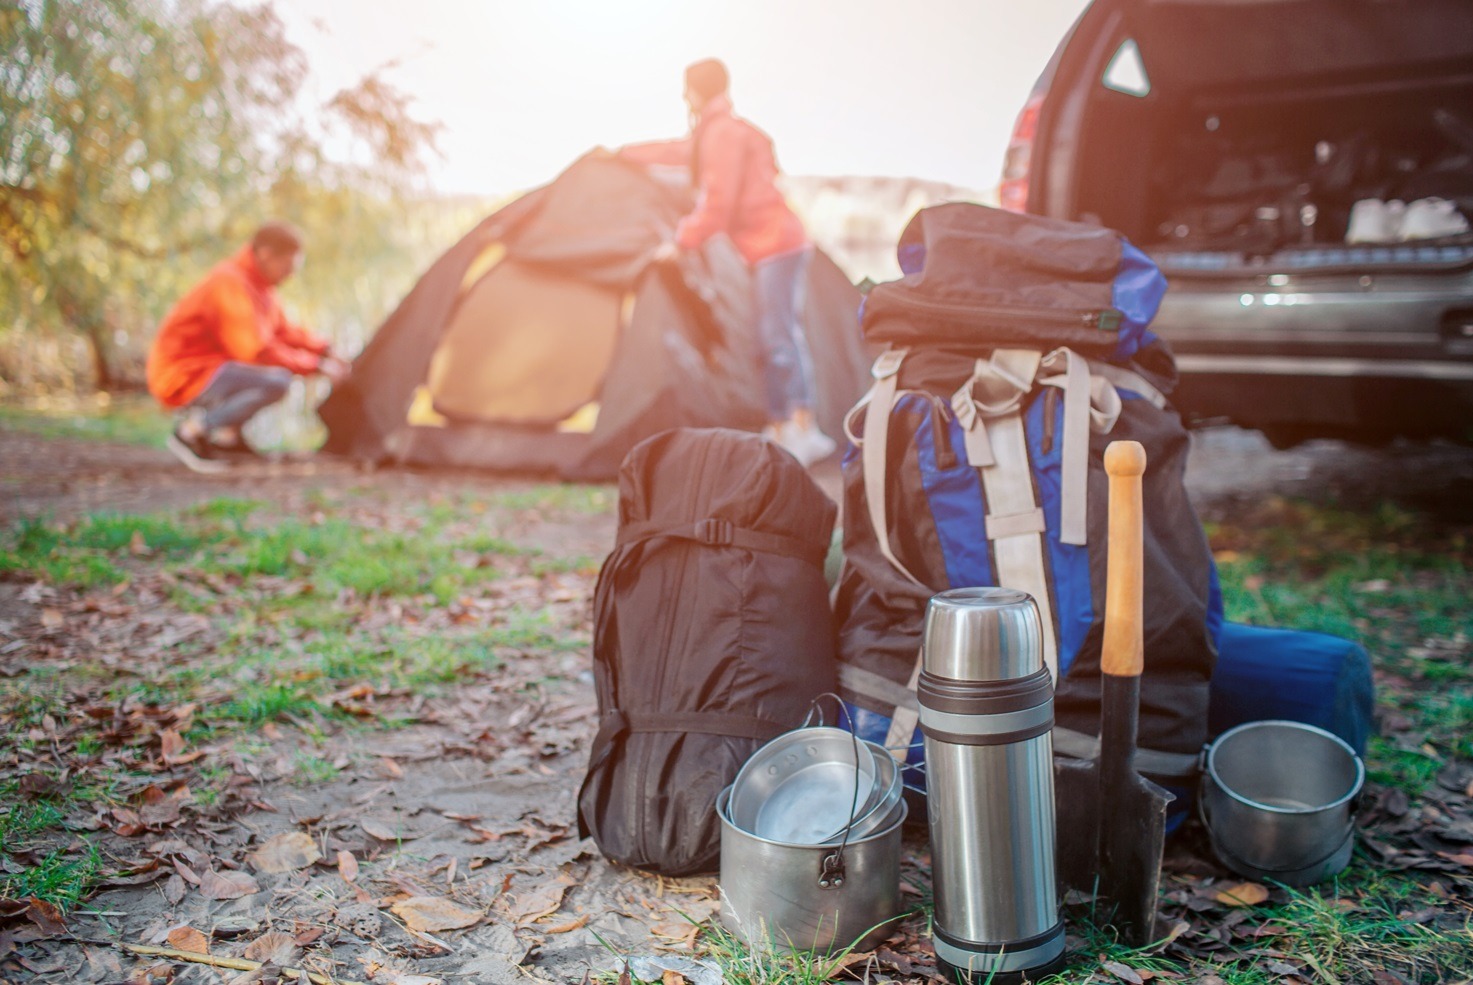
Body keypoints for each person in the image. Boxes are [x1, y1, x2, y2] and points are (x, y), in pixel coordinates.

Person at [619, 58, 836, 466]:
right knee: (767, 334)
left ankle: (802, 428)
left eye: (687, 89)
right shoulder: (715, 132)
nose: (685, 97)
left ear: (696, 91)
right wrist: (625, 154)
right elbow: (678, 151)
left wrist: (680, 243)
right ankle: (779, 427)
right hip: (764, 247)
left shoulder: (722, 134)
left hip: (778, 244)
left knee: (777, 335)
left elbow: (718, 204)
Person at [146, 221, 350, 473]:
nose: (291, 274)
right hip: (182, 374)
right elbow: (256, 351)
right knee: (277, 382)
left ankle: (227, 439)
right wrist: (317, 367)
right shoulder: (230, 283)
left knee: (269, 378)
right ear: (266, 255)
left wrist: (326, 350)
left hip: (210, 369)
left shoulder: (261, 287)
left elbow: (285, 331)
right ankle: (190, 433)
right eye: (288, 266)